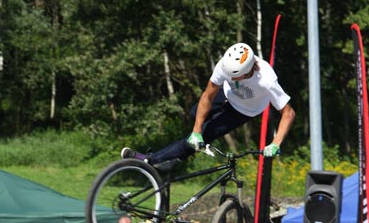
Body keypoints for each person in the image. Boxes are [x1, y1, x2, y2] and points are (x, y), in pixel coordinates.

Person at [121, 42, 295, 164]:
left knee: (204, 134)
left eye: (235, 76)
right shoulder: (225, 65)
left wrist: (275, 143)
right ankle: (178, 154)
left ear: (248, 70)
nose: (231, 78)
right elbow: (207, 96)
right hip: (225, 94)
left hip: (243, 111)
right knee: (194, 118)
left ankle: (149, 160)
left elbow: (288, 113)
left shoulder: (266, 80)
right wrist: (195, 131)